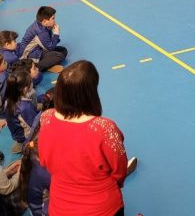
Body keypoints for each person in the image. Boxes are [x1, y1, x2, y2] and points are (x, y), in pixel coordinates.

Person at [38, 60, 137, 216]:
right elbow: (119, 172)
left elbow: (44, 160)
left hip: (60, 206)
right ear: (91, 93)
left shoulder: (46, 118)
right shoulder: (105, 128)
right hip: (102, 208)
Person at [18, 6, 67, 73]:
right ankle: (36, 67)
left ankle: (47, 65)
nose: (54, 20)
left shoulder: (41, 24)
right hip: (29, 56)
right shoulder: (41, 32)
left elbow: (48, 41)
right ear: (44, 21)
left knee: (63, 50)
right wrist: (56, 34)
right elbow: (50, 48)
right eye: (53, 18)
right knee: (60, 56)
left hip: (38, 50)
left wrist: (51, 29)